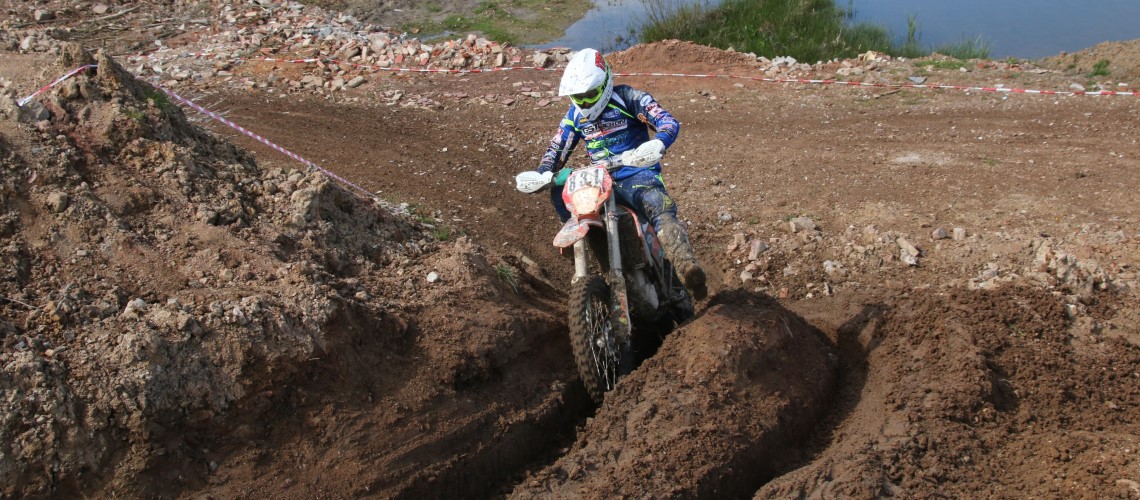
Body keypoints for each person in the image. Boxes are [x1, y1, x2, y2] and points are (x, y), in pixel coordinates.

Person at [523, 48, 707, 301]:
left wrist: (659, 142)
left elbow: (667, 121)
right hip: (601, 181)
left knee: (656, 203)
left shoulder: (629, 98)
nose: (584, 103)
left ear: (605, 84)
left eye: (589, 95)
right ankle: (591, 254)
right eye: (578, 97)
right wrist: (543, 173)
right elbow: (557, 148)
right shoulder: (574, 115)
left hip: (637, 173)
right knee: (559, 191)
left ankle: (686, 267)